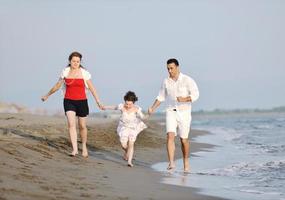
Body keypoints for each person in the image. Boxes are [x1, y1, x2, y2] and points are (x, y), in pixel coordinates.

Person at [41, 51, 103, 157]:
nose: (75, 63)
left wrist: (98, 101)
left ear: (80, 62)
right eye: (74, 61)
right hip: (69, 101)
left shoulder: (84, 73)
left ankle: (83, 145)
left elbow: (92, 88)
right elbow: (57, 85)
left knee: (82, 126)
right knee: (71, 124)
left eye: (78, 61)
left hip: (82, 101)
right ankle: (74, 149)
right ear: (70, 61)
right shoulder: (65, 72)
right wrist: (47, 95)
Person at [148, 58, 199, 172]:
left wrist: (185, 99)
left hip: (184, 112)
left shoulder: (187, 80)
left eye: (171, 68)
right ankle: (171, 162)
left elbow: (196, 94)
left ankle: (186, 162)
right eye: (168, 69)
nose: (169, 71)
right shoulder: (166, 81)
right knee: (170, 135)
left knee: (183, 140)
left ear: (177, 67)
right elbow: (161, 96)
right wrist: (152, 108)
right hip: (171, 111)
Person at [102, 91, 147, 167]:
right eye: (127, 103)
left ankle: (129, 161)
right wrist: (104, 107)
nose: (128, 106)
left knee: (131, 144)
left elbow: (143, 117)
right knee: (123, 145)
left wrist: (148, 113)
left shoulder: (137, 109)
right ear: (125, 101)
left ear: (133, 103)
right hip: (124, 127)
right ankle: (127, 152)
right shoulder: (121, 106)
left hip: (133, 127)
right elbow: (113, 107)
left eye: (130, 104)